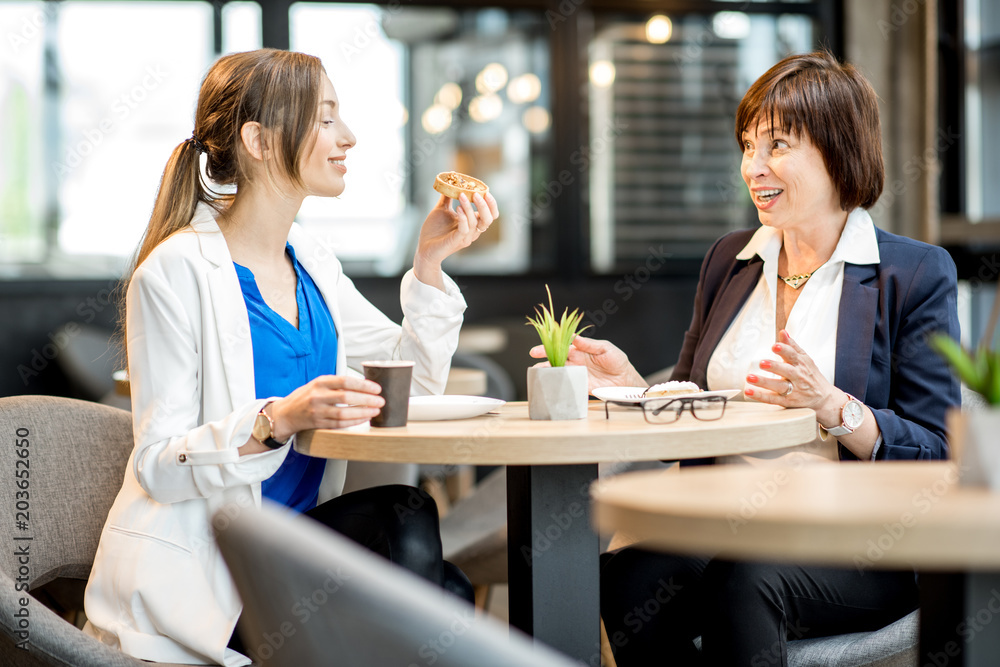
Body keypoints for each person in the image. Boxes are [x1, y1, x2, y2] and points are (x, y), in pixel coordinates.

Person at [534, 51, 961, 665]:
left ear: (839, 151)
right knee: (628, 576)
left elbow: (939, 451)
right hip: (723, 525)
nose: (751, 167)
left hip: (859, 542)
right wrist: (629, 386)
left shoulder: (911, 273)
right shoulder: (731, 259)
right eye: (747, 146)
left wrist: (832, 406)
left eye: (777, 146)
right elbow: (694, 407)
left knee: (745, 581)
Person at [83, 49, 499, 666]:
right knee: (408, 526)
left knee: (441, 585)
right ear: (258, 138)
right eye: (326, 118)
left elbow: (411, 383)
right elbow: (155, 465)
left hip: (300, 550)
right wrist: (275, 419)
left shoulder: (311, 260)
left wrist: (429, 265)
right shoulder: (173, 272)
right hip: (217, 578)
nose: (348, 137)